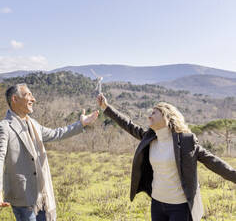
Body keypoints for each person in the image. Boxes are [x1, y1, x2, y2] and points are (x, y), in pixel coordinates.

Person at [97, 93, 236, 221]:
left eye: (154, 113)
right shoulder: (149, 138)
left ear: (167, 117)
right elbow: (128, 124)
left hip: (180, 207)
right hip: (157, 204)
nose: (149, 116)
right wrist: (106, 107)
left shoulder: (186, 141)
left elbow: (212, 161)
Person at [0, 83, 99, 221]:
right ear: (14, 99)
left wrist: (81, 124)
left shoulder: (33, 124)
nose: (33, 99)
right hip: (23, 196)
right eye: (28, 95)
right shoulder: (3, 127)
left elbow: (57, 133)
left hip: (43, 194)